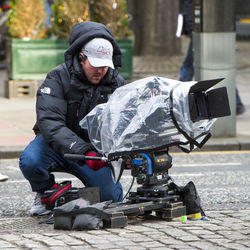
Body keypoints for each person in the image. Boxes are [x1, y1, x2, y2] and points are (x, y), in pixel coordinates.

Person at [19, 21, 126, 216]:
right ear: (81, 57)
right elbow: (50, 123)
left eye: (105, 65)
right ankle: (45, 193)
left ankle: (69, 198)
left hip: (94, 153)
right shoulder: (57, 78)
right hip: (55, 145)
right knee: (30, 160)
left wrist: (124, 153)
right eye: (95, 64)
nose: (101, 71)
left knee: (112, 198)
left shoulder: (116, 84)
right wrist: (83, 150)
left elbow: (122, 125)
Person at [178, 0, 246, 115]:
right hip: (212, 29)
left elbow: (190, 9)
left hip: (201, 31)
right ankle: (236, 102)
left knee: (189, 66)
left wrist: (188, 29)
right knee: (220, 65)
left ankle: (179, 98)